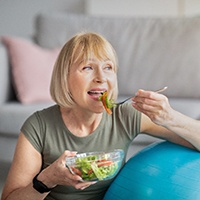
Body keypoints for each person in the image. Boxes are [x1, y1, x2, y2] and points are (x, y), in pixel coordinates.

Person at [1, 32, 200, 200]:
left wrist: (170, 117)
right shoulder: (39, 126)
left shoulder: (124, 115)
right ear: (65, 78)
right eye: (88, 67)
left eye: (108, 68)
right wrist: (48, 179)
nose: (101, 77)